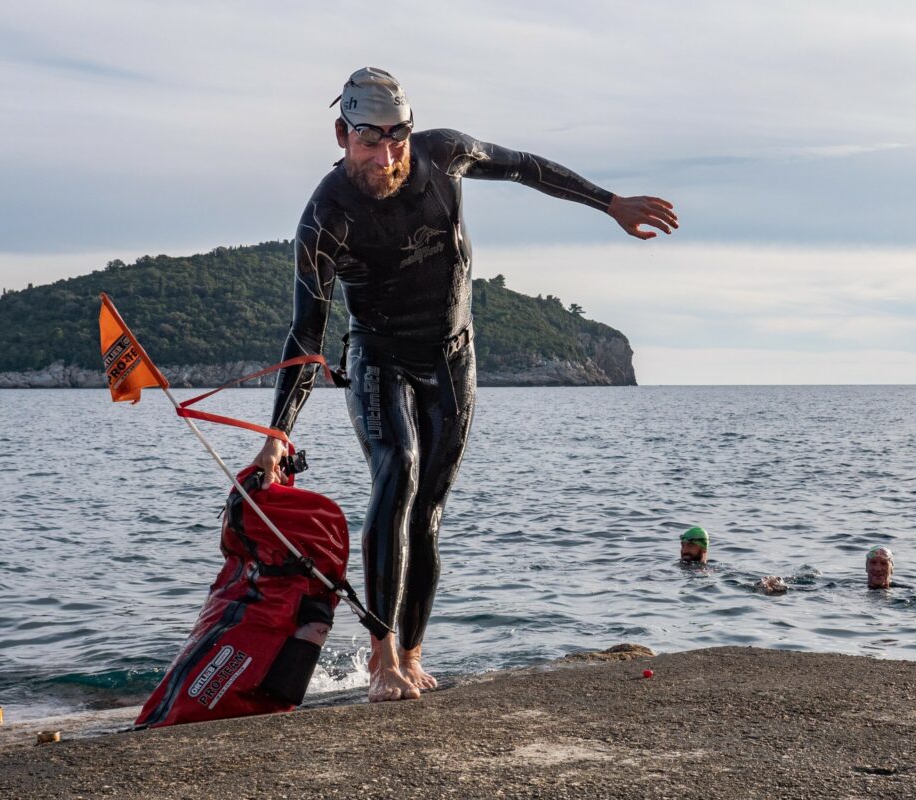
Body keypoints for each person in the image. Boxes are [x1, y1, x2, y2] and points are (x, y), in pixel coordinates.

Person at [254, 67, 679, 703]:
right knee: (396, 471)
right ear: (343, 134)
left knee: (427, 510)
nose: (388, 155)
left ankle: (414, 654)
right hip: (379, 357)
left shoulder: (444, 154)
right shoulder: (326, 218)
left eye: (398, 137)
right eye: (371, 141)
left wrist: (609, 202)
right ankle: (381, 655)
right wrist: (276, 437)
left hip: (453, 358)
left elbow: (524, 166)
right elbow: (306, 337)